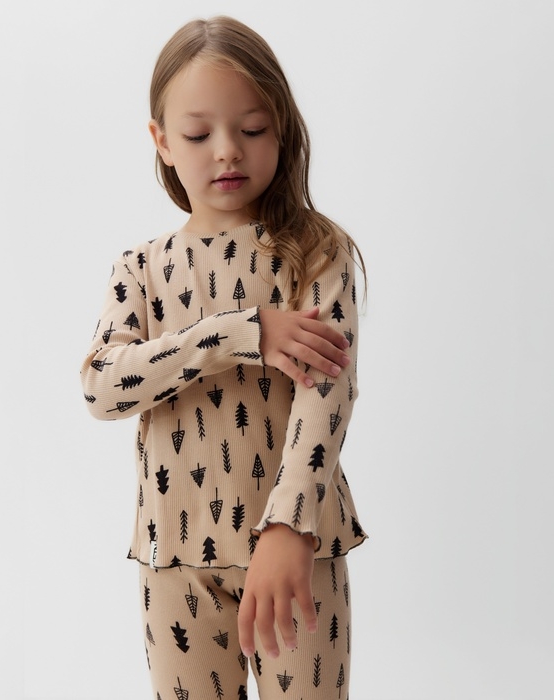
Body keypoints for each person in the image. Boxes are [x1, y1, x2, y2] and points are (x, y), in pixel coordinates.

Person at [80, 15, 369, 700]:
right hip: (174, 559)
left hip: (297, 548)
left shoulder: (317, 253)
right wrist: (241, 334)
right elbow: (101, 386)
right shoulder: (140, 269)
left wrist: (288, 528)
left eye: (253, 128)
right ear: (161, 141)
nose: (228, 152)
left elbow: (327, 398)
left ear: (282, 128)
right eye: (197, 134)